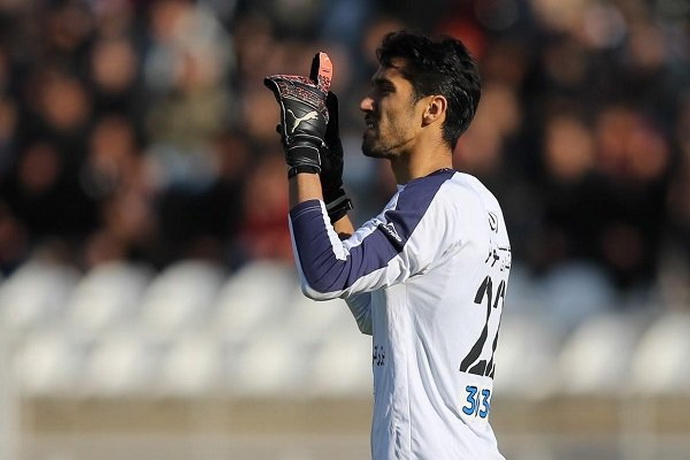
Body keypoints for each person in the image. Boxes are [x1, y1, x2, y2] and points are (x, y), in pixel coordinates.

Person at [265, 30, 510, 460]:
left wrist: (302, 156)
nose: (366, 103)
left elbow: (324, 276)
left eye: (386, 89)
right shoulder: (473, 200)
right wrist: (330, 193)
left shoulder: (432, 201)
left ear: (432, 109)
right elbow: (372, 312)